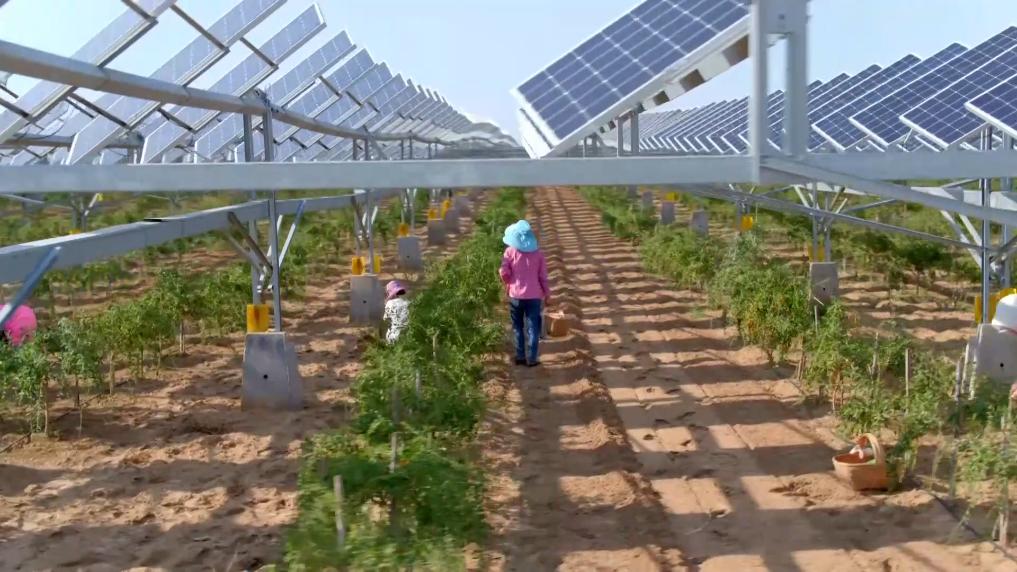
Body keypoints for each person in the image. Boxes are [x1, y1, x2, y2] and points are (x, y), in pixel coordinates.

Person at [499, 220, 550, 367]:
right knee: (533, 327)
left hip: (515, 295)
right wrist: (547, 294)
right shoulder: (538, 254)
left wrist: (508, 281)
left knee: (517, 327)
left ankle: (520, 356)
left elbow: (504, 272)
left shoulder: (510, 252)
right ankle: (532, 358)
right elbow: (543, 277)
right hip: (534, 296)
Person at [383, 280, 410, 345]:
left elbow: (386, 320)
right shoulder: (408, 303)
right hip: (407, 335)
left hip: (394, 336)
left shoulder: (389, 304)